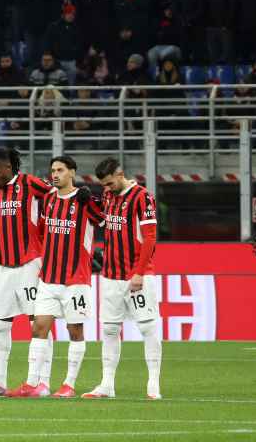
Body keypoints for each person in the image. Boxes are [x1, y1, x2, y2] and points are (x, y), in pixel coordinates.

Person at [13, 155, 104, 399]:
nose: (55, 174)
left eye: (60, 170)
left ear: (72, 172)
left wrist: (92, 201)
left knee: (75, 331)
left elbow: (103, 219)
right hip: (49, 278)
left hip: (76, 280)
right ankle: (34, 383)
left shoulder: (85, 200)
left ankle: (69, 384)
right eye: (52, 170)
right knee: (38, 328)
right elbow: (43, 231)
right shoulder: (50, 199)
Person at [0, 147, 54, 398]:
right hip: (1, 266)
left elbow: (60, 197)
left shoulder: (30, 184)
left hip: (29, 264)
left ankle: (42, 382)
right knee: (0, 325)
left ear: (8, 167)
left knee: (38, 323)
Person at [83, 157, 162, 400]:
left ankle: (153, 384)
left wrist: (139, 271)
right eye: (103, 185)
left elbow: (150, 237)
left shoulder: (142, 196)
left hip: (136, 275)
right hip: (110, 275)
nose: (106, 189)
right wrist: (89, 203)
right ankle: (107, 384)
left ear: (120, 175)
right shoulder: (108, 196)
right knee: (109, 329)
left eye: (108, 183)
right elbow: (106, 223)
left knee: (148, 326)